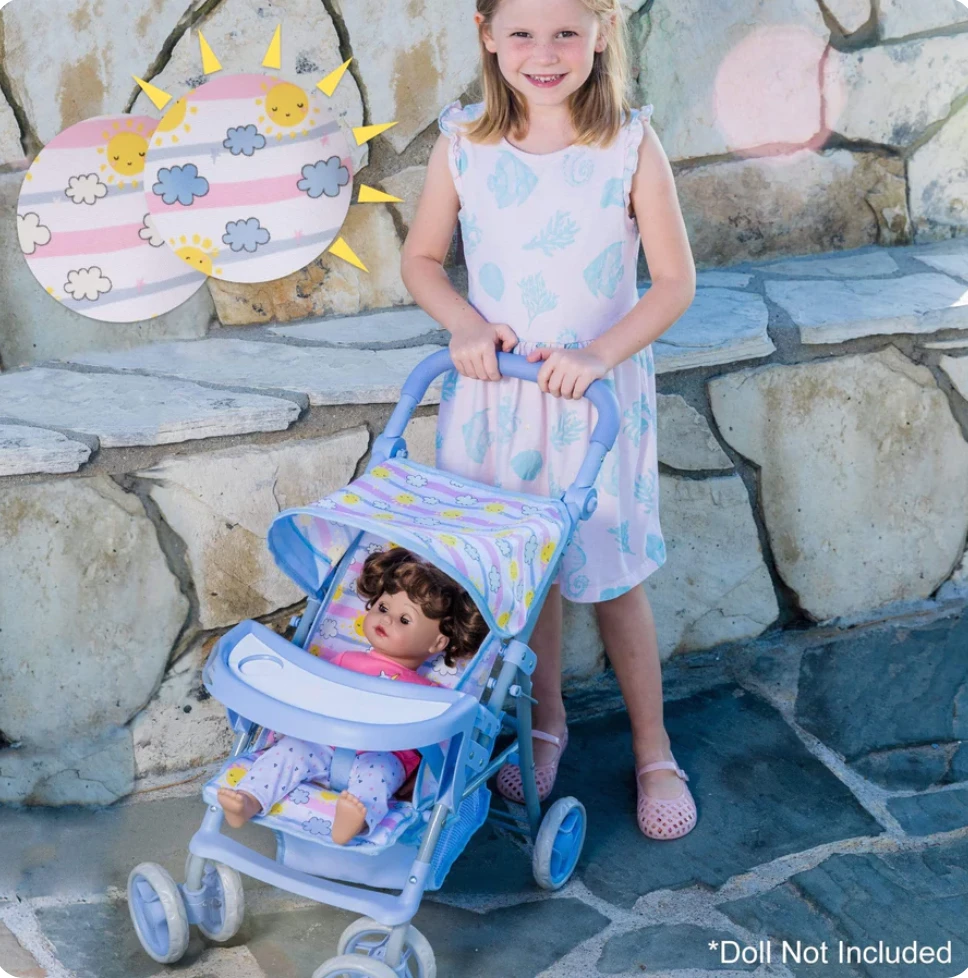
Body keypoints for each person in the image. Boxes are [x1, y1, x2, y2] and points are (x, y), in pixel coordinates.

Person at [400, 0, 698, 839]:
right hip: (499, 398)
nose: (545, 51)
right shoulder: (464, 143)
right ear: (487, 34)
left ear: (602, 31)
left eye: (566, 30)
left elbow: (675, 283)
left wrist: (599, 355)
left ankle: (654, 748)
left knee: (612, 574)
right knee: (528, 578)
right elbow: (421, 259)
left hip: (591, 403)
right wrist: (464, 324)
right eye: (523, 32)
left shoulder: (630, 146)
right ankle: (546, 720)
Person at [217, 548, 488, 844]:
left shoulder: (430, 693)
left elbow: (441, 741)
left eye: (404, 619)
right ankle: (249, 798)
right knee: (288, 751)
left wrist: (419, 781)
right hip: (322, 742)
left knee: (378, 775)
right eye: (383, 607)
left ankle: (355, 822)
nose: (387, 619)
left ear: (437, 643)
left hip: (382, 755)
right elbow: (312, 691)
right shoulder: (345, 660)